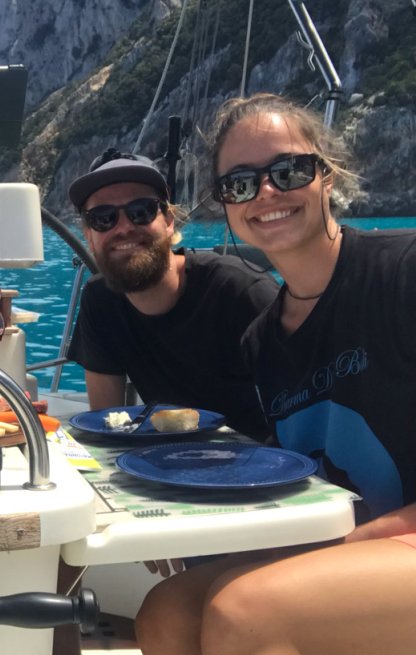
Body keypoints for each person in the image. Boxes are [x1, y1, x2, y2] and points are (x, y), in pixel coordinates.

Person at [135, 93, 416, 655]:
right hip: (350, 539)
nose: (266, 193)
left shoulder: (402, 272)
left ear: (327, 176)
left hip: (393, 535)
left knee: (245, 614)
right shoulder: (262, 339)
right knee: (166, 612)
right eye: (239, 184)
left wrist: (363, 538)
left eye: (288, 171)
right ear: (226, 204)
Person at [67, 148, 278, 439]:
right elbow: (106, 426)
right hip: (164, 464)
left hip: (261, 466)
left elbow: (304, 422)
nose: (125, 227)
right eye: (103, 218)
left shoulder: (240, 293)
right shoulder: (101, 300)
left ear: (169, 222)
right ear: (90, 236)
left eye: (141, 211)